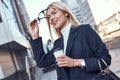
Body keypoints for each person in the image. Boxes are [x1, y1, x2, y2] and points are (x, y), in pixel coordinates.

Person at [29, 1, 111, 80]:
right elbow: (42, 62)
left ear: (66, 13)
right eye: (49, 17)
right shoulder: (58, 43)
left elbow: (105, 60)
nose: (51, 18)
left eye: (54, 13)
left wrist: (75, 62)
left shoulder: (84, 30)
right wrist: (35, 36)